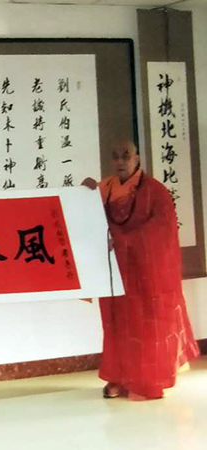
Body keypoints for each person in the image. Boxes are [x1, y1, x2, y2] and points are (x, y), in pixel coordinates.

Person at [82, 139, 199, 400]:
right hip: (116, 271)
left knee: (145, 326)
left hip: (145, 272)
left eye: (126, 155)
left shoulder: (155, 191)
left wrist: (124, 240)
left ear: (137, 158)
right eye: (115, 156)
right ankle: (118, 378)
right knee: (116, 325)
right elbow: (88, 217)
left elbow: (162, 231)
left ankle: (146, 380)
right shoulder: (105, 188)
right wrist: (84, 195)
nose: (120, 161)